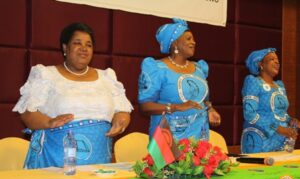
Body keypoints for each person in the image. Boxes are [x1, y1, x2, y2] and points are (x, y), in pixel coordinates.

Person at [13, 22, 133, 169]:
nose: (84, 48)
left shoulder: (107, 77)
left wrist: (120, 120)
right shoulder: (46, 75)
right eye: (77, 43)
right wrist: (49, 122)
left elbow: (122, 110)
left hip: (101, 164)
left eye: (89, 45)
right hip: (56, 163)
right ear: (65, 47)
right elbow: (26, 113)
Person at [138, 18, 221, 141]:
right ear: (175, 43)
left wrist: (210, 109)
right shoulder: (157, 69)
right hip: (168, 137)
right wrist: (176, 107)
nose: (194, 42)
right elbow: (145, 107)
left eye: (193, 39)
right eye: (188, 39)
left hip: (199, 134)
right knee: (169, 161)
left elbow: (204, 100)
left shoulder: (199, 68)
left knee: (198, 161)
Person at [241, 48, 299, 153]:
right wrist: (278, 128)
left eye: (278, 60)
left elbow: (280, 114)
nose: (277, 62)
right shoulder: (253, 82)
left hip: (281, 140)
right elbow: (249, 114)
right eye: (272, 59)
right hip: (259, 139)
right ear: (260, 64)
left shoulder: (280, 86)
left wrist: (290, 120)